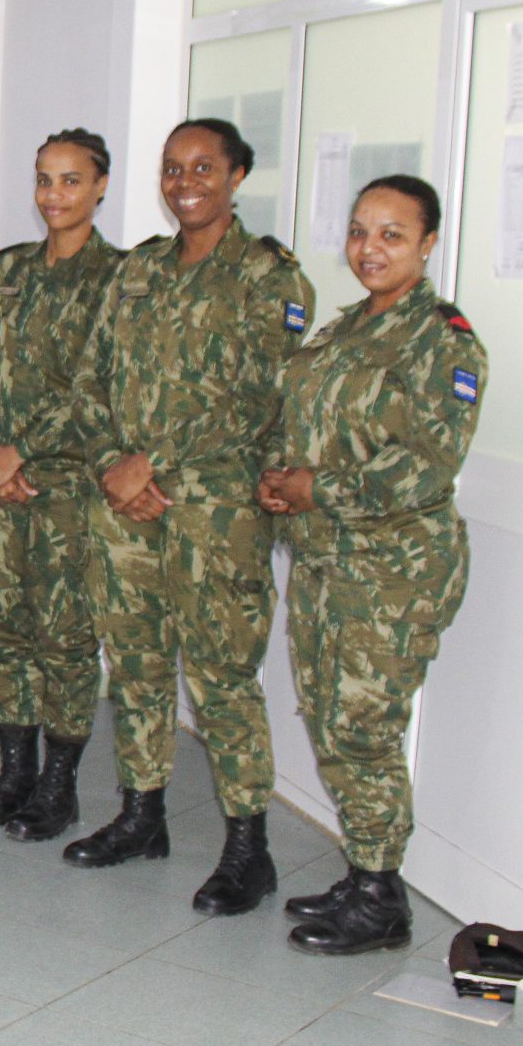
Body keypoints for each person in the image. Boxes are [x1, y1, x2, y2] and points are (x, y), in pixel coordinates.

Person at [68, 117, 316, 917]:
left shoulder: (270, 277)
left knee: (221, 680)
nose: (186, 182)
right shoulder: (138, 270)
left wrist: (155, 466)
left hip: (216, 514)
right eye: (173, 169)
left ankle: (250, 848)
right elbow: (90, 379)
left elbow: (264, 399)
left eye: (203, 167)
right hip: (127, 508)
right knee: (134, 663)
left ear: (238, 175)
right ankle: (142, 815)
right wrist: (112, 463)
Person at [261, 176, 483, 955]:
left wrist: (317, 486)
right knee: (327, 716)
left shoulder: (444, 341)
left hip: (394, 569)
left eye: (392, 234)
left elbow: (428, 464)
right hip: (328, 560)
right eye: (359, 231)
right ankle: (363, 870)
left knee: (363, 727)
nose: (369, 248)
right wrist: (282, 478)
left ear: (428, 243)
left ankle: (383, 898)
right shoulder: (346, 327)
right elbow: (308, 424)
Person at [0, 129, 124, 840]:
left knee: (64, 638)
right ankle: (14, 772)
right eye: (44, 180)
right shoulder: (10, 270)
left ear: (101, 187)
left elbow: (99, 388)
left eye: (71, 181)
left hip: (64, 491)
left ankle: (59, 786)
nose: (54, 195)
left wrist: (18, 452)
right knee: (4, 633)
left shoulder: (116, 278)